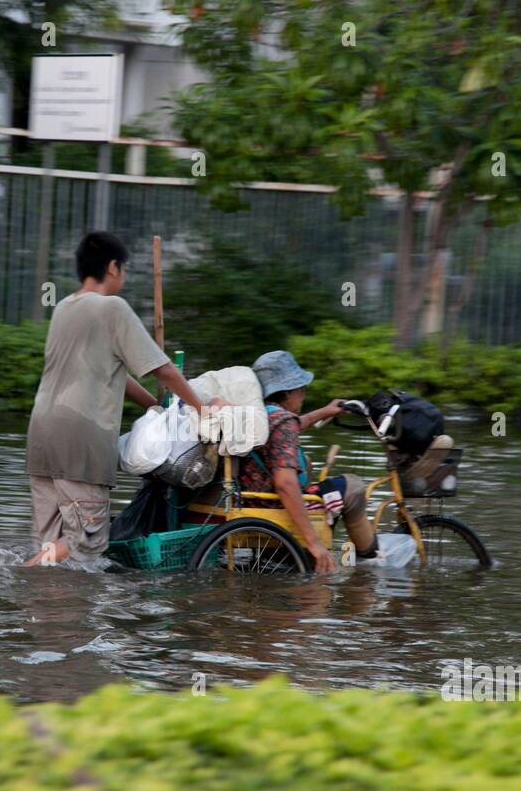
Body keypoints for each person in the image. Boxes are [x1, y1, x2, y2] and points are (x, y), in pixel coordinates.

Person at [23, 231, 223, 566]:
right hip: (81, 439)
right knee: (84, 545)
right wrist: (201, 409)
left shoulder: (64, 308)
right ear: (113, 267)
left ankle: (47, 612)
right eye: (125, 269)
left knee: (52, 547)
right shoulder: (112, 307)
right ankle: (20, 579)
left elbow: (116, 374)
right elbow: (164, 370)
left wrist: (153, 406)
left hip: (42, 435)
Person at [243, 350, 379, 573]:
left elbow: (292, 426)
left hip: (253, 501)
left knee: (306, 461)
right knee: (353, 487)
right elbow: (285, 484)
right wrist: (313, 543)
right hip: (273, 507)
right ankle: (371, 561)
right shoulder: (283, 422)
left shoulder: (261, 414)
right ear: (287, 393)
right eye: (301, 389)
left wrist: (326, 411)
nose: (303, 394)